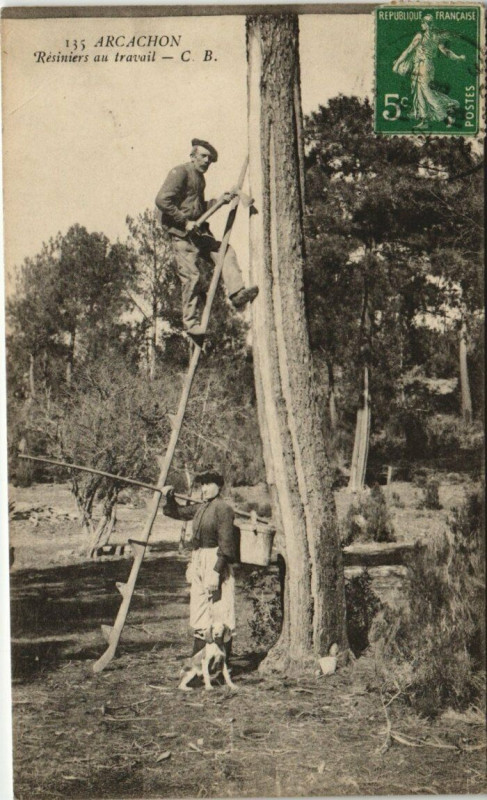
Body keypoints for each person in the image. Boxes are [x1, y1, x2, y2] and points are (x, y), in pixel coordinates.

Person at [156, 139, 258, 337]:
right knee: (191, 277)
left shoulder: (200, 179)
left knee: (224, 250)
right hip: (182, 236)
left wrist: (220, 200)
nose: (206, 161)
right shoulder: (180, 173)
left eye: (209, 159)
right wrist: (184, 222)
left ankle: (237, 293)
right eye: (203, 156)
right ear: (192, 156)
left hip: (198, 233)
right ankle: (190, 324)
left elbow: (198, 208)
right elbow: (162, 200)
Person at [162, 470, 239, 662]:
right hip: (199, 559)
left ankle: (221, 664)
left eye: (208, 484)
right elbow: (176, 512)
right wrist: (169, 497)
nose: (204, 488)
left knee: (220, 610)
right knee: (199, 609)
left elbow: (227, 545)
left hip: (216, 561)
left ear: (219, 486)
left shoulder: (223, 509)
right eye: (202, 485)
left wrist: (216, 572)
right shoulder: (201, 507)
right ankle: (198, 662)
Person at [393, 14, 466, 130]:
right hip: (429, 66)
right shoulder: (436, 36)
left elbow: (408, 50)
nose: (421, 25)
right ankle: (424, 118)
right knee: (423, 90)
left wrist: (397, 64)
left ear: (427, 25)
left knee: (424, 91)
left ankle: (443, 108)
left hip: (422, 66)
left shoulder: (420, 36)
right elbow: (446, 51)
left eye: (423, 23)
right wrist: (458, 58)